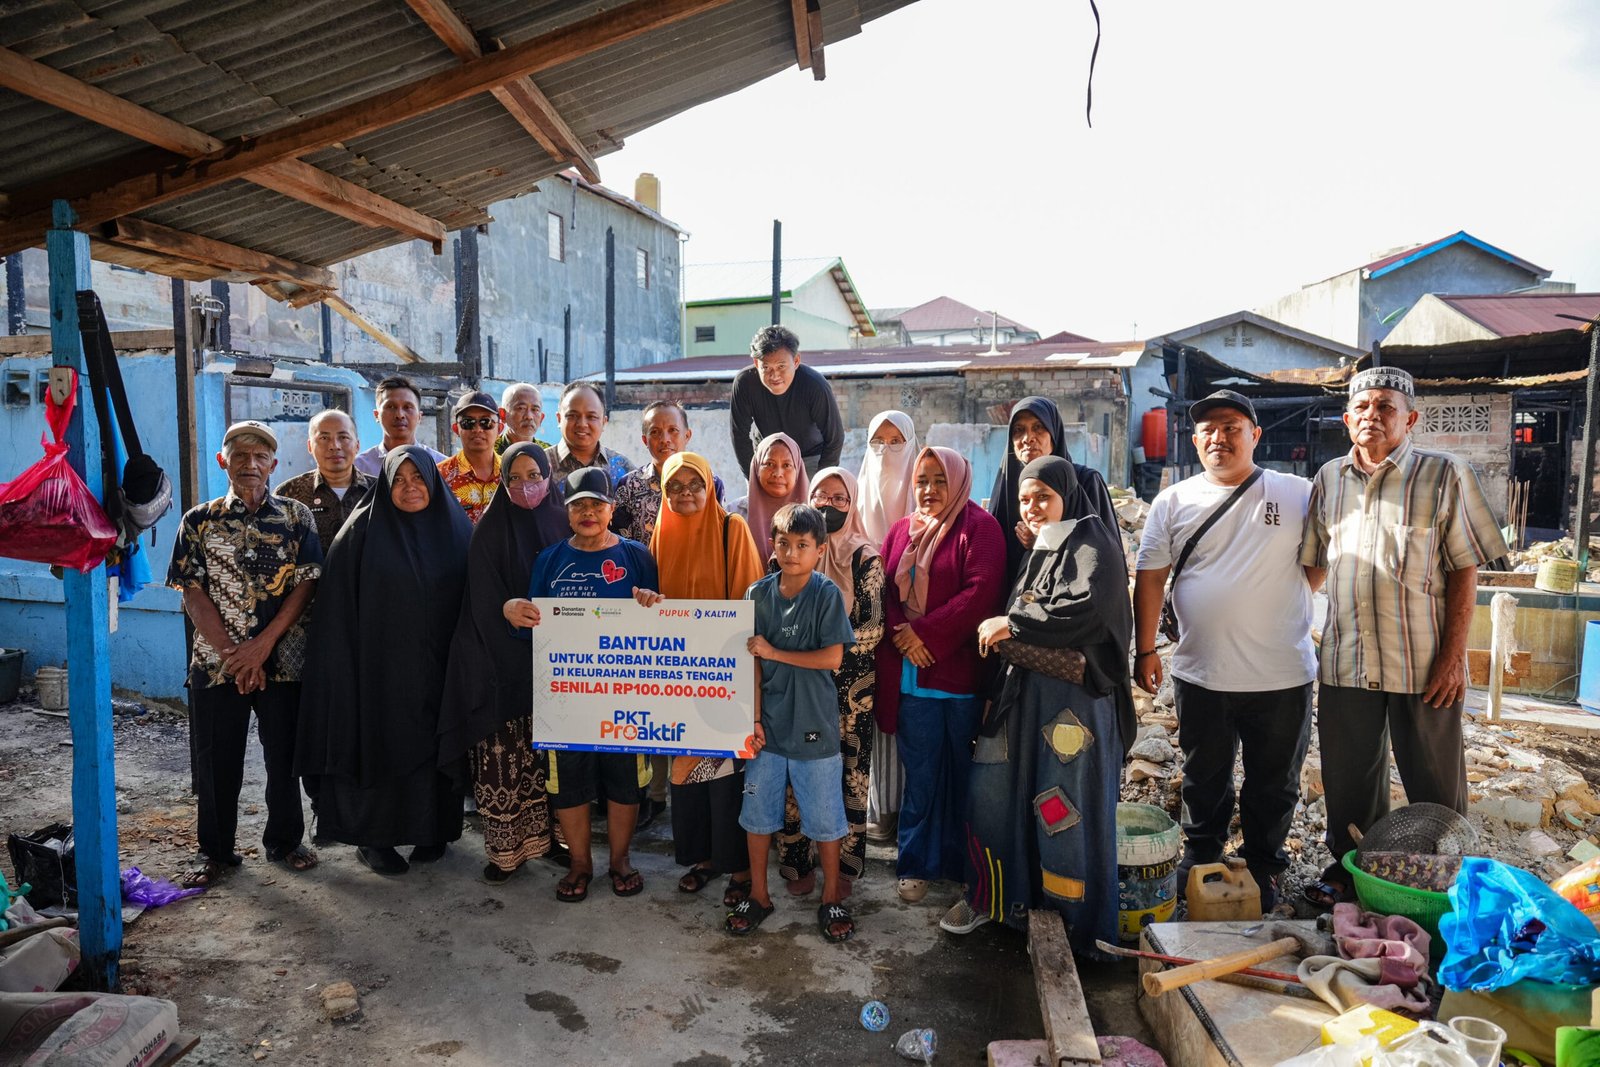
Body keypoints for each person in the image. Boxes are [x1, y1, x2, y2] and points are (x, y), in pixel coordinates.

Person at [1299, 366, 1507, 908]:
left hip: (1423, 663)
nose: (1373, 416)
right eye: (1363, 408)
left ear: (1409, 418)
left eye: (1386, 407)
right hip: (1347, 659)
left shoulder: (1444, 474)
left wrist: (1453, 658)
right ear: (1347, 419)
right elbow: (1314, 567)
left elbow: (1465, 569)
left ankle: (1453, 885)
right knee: (1349, 784)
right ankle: (1350, 875)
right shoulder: (1327, 479)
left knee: (1436, 784)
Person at [1132, 390, 1315, 912]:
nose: (1219, 437)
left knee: (1274, 781)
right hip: (1201, 671)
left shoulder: (1297, 491)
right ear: (1194, 440)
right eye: (1208, 429)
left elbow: (1316, 568)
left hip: (1281, 673)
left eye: (1232, 426)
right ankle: (1202, 853)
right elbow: (1149, 579)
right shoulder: (1174, 499)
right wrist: (1146, 651)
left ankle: (1263, 863)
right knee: (1203, 773)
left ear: (1255, 436)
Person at [941, 456, 1134, 951]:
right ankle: (996, 902)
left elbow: (1086, 609)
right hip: (1023, 696)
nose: (1031, 508)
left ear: (1067, 495)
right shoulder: (1045, 548)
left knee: (1061, 811)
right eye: (1025, 499)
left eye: (1043, 497)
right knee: (994, 796)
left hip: (1073, 709)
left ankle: (1070, 927)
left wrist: (1016, 624)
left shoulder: (1094, 544)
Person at [295, 447, 469, 876]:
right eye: (400, 480)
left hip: (440, 670)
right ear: (386, 485)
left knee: (432, 748)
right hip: (376, 673)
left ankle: (432, 830)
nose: (410, 487)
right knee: (380, 746)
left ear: (434, 481)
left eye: (419, 478)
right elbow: (335, 614)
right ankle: (374, 838)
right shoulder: (359, 535)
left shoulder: (458, 531)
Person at [168, 421, 322, 887]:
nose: (250, 465)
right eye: (240, 456)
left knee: (284, 757)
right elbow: (190, 591)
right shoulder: (198, 520)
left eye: (260, 457)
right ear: (224, 462)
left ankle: (285, 841)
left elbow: (307, 584)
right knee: (217, 758)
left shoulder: (297, 517)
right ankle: (215, 851)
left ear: (274, 464)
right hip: (217, 666)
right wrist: (234, 655)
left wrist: (263, 646)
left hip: (283, 660)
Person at [502, 467, 658, 902]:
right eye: (578, 505)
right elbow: (533, 623)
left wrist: (651, 604)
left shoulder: (637, 557)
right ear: (566, 512)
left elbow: (659, 624)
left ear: (612, 509)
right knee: (567, 781)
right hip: (564, 698)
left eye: (597, 504)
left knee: (626, 780)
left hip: (627, 694)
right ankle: (580, 864)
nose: (589, 512)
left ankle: (621, 861)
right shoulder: (549, 560)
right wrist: (512, 610)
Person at [875, 447, 1006, 903]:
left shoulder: (980, 528)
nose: (929, 490)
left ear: (959, 481)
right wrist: (903, 635)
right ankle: (915, 864)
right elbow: (886, 593)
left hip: (961, 677)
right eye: (921, 481)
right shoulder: (900, 532)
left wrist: (924, 634)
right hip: (913, 677)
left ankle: (963, 866)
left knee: (965, 777)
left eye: (939, 480)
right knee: (922, 775)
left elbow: (980, 592)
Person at [438, 443, 569, 884]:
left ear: (550, 476)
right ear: (503, 480)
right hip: (499, 662)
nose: (526, 485)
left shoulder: (564, 521)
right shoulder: (491, 527)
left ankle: (557, 843)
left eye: (535, 474)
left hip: (555, 665)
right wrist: (504, 605)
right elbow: (477, 590)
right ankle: (506, 852)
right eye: (515, 477)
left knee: (552, 760)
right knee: (504, 758)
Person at [725, 504, 858, 942]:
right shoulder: (756, 595)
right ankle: (759, 896)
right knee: (756, 813)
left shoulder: (825, 595)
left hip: (813, 723)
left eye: (803, 545)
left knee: (825, 817)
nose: (792, 552)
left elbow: (833, 658)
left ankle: (831, 898)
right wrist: (755, 718)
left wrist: (775, 652)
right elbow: (751, 667)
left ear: (820, 550)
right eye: (784, 543)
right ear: (773, 545)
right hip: (767, 729)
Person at [641, 452, 765, 906]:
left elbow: (750, 605)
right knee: (686, 773)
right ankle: (702, 860)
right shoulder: (658, 538)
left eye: (695, 484)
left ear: (710, 486)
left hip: (723, 677)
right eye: (675, 486)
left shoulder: (732, 529)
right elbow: (647, 608)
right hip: (677, 679)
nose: (685, 493)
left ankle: (738, 867)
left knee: (727, 774)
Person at [776, 467, 885, 896]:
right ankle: (796, 863)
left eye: (840, 499)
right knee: (796, 774)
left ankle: (843, 872)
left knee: (849, 776)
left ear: (853, 504)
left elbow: (873, 628)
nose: (829, 505)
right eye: (820, 496)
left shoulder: (864, 557)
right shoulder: (788, 551)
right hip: (796, 689)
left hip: (849, 690)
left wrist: (819, 654)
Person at [857, 411, 918, 844]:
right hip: (861, 622)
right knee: (871, 712)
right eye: (878, 441)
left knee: (907, 715)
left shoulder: (926, 497)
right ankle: (878, 807)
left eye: (897, 441)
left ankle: (906, 807)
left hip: (915, 628)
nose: (886, 450)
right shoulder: (853, 493)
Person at [988, 396, 1120, 586]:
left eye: (1038, 427)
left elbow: (1105, 554)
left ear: (1054, 433)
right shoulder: (1006, 488)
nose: (1028, 438)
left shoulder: (1085, 482)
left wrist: (1041, 540)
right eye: (1019, 430)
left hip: (1070, 599)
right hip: (1014, 601)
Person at [729, 325, 843, 478]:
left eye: (781, 366)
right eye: (766, 367)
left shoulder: (814, 385)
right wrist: (753, 476)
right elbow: (739, 435)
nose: (774, 375)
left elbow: (834, 438)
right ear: (757, 364)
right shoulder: (745, 383)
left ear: (796, 361)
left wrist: (820, 481)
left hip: (809, 458)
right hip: (766, 456)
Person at [612, 401, 725, 545]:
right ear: (645, 440)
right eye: (655, 432)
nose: (665, 439)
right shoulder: (628, 486)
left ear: (687, 435)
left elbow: (719, 537)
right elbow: (621, 545)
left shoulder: (709, 483)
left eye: (673, 430)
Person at [275, 408, 373, 555]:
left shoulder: (378, 490)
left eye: (343, 437)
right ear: (309, 446)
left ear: (357, 445)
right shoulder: (288, 494)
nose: (334, 446)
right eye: (324, 438)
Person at [732, 432, 810, 559]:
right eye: (769, 464)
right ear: (757, 467)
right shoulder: (735, 513)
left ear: (798, 470)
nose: (778, 473)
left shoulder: (814, 517)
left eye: (787, 465)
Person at [354, 375, 446, 477]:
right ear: (377, 415)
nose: (400, 415)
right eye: (391, 407)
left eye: (407, 407)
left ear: (419, 416)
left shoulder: (441, 466)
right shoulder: (358, 468)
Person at [546, 382, 633, 488]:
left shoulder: (623, 468)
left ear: (604, 422)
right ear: (559, 419)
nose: (582, 424)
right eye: (572, 416)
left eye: (591, 417)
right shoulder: (538, 466)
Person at [436, 391, 503, 525]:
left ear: (500, 429)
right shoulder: (439, 476)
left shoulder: (512, 473)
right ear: (456, 429)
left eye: (486, 422)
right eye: (468, 422)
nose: (477, 429)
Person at [495, 382, 552, 454]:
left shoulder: (548, 453)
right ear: (503, 414)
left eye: (535, 410)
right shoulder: (490, 451)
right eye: (521, 408)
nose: (529, 416)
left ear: (541, 418)